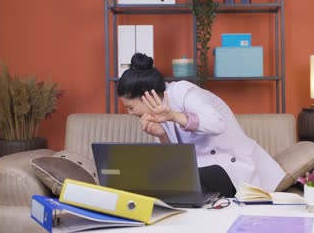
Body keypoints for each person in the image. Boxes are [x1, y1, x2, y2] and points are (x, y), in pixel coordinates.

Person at [117, 53, 286, 197]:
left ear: (147, 95)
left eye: (130, 107)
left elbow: (216, 123)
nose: (130, 113)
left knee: (175, 183)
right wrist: (162, 135)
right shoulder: (155, 115)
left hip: (231, 166)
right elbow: (177, 162)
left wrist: (174, 116)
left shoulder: (182, 91)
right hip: (199, 170)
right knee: (165, 178)